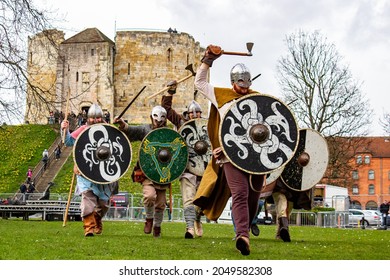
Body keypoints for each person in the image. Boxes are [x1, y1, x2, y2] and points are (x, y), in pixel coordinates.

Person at [193, 45, 265, 255]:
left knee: (254, 197)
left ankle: (244, 229)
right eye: (240, 83)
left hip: (255, 157)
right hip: (229, 155)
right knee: (240, 194)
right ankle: (242, 235)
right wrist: (208, 60)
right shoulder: (221, 95)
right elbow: (200, 83)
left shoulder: (257, 98)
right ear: (233, 82)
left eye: (247, 83)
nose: (244, 87)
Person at [114, 105, 169, 238]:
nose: (159, 121)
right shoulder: (145, 129)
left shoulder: (169, 134)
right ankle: (149, 219)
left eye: (162, 119)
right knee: (149, 196)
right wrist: (122, 123)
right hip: (147, 171)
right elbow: (131, 130)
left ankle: (157, 226)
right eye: (156, 118)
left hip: (163, 172)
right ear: (152, 118)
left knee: (161, 204)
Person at [61, 103, 114, 237]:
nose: (95, 120)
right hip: (85, 172)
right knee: (87, 200)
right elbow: (68, 142)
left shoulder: (109, 130)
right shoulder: (82, 130)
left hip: (103, 172)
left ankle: (97, 218)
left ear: (101, 118)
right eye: (92, 118)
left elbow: (117, 148)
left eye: (98, 118)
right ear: (88, 118)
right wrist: (65, 129)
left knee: (103, 203)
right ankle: (88, 228)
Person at [161, 80, 204, 239]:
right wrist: (170, 92)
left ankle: (197, 219)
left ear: (200, 114)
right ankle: (189, 228)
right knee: (188, 199)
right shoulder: (181, 122)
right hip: (186, 168)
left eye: (197, 113)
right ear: (188, 113)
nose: (195, 115)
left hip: (203, 170)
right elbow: (166, 109)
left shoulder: (207, 127)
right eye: (192, 113)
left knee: (200, 201)